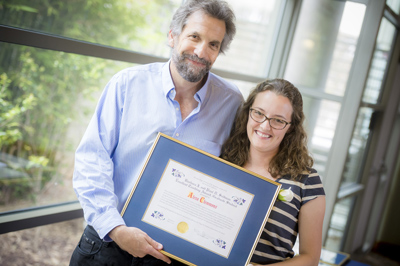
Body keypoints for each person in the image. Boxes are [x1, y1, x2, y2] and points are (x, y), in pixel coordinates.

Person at [70, 0, 243, 265]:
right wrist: (117, 230)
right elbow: (91, 161)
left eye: (213, 44)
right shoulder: (127, 84)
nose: (201, 51)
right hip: (109, 244)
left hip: (174, 257)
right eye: (194, 36)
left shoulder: (230, 103)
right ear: (173, 36)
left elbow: (236, 172)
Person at [220, 79, 326, 265]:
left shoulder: (307, 181)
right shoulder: (223, 163)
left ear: (291, 127)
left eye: (278, 120)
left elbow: (310, 258)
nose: (264, 126)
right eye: (259, 113)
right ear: (248, 113)